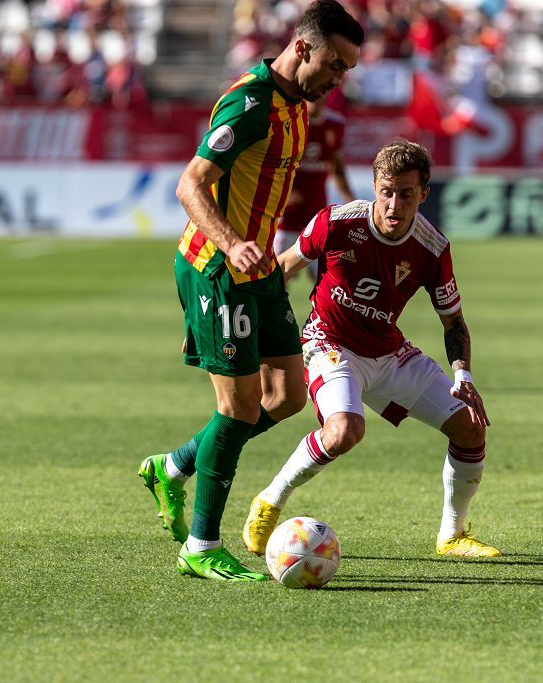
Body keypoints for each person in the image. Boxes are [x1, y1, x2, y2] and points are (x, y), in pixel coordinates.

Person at [137, 0, 364, 582]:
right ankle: (201, 544)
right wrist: (232, 241)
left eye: (348, 71)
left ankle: (175, 465)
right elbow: (190, 185)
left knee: (288, 396)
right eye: (336, 65)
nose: (339, 80)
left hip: (259, 270)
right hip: (217, 267)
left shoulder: (297, 104)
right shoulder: (251, 101)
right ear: (304, 47)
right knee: (236, 409)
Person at [242, 139, 500, 560]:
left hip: (388, 351)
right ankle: (269, 501)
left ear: (424, 194)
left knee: (471, 426)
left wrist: (463, 376)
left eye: (406, 194)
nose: (394, 204)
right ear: (375, 186)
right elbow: (283, 270)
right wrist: (261, 335)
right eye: (386, 191)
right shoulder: (337, 223)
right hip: (329, 342)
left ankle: (451, 536)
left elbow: (453, 322)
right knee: (344, 431)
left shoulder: (432, 248)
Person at [274, 93, 354, 282]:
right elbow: (274, 166)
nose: (316, 100)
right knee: (278, 279)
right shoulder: (290, 121)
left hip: (317, 214)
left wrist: (351, 201)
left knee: (324, 280)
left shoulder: (335, 123)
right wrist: (284, 194)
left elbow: (337, 168)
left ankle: (321, 313)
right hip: (287, 217)